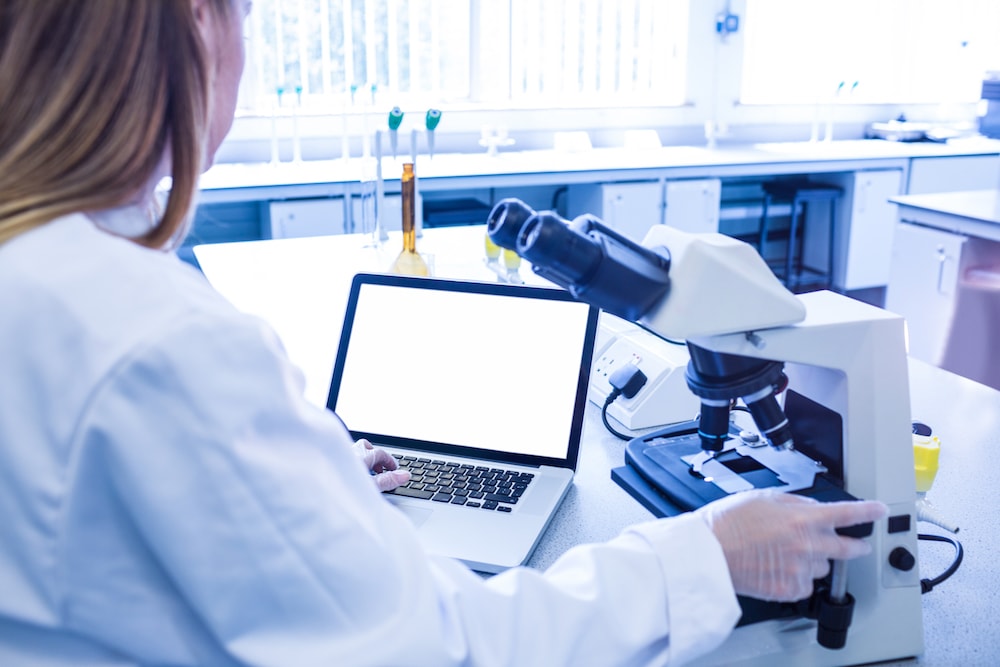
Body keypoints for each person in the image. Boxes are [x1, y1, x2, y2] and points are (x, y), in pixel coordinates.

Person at [0, 1, 888, 665]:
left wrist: (297, 496)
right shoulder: (158, 340)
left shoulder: (40, 270)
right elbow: (438, 648)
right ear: (197, 25)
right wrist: (707, 553)